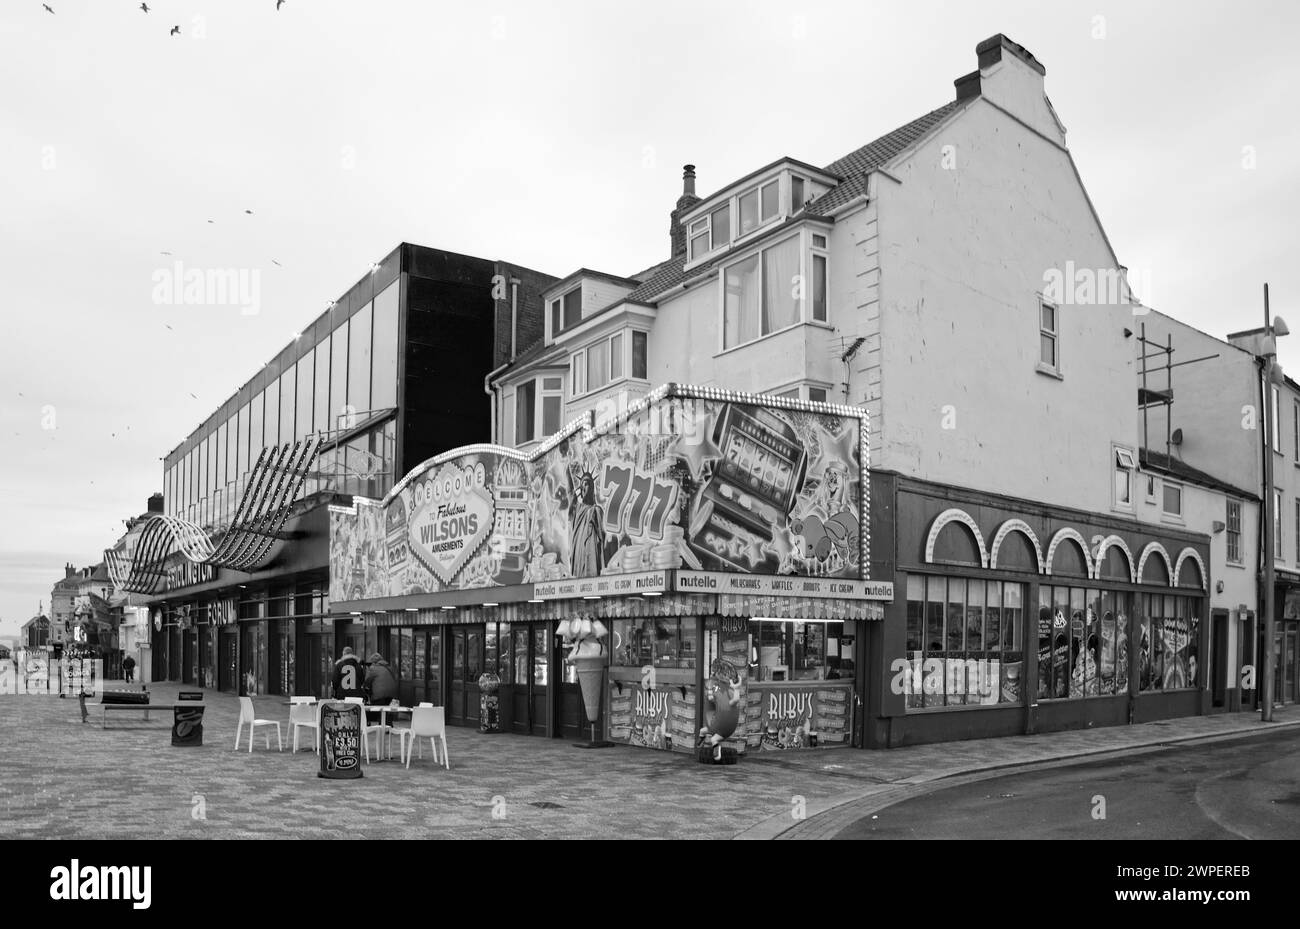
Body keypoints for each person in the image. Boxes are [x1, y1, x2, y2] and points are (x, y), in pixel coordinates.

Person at [363, 652, 398, 724]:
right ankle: (388, 726)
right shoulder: (388, 667)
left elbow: (367, 682)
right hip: (391, 693)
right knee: (385, 709)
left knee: (379, 710)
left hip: (379, 693)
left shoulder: (373, 669)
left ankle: (382, 727)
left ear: (373, 662)